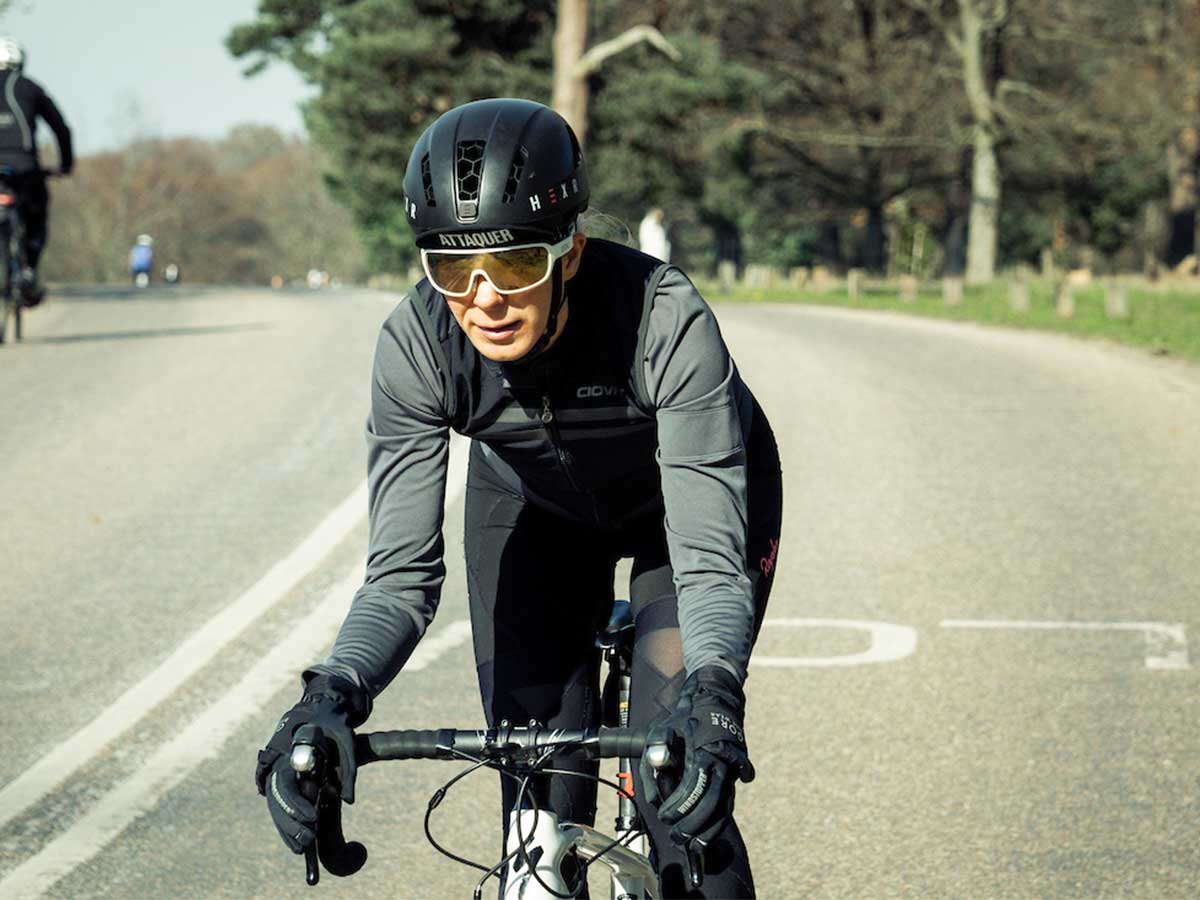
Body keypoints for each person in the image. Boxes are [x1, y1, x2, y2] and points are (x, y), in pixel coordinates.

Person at [255, 98, 783, 898]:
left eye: (512, 266)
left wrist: (714, 692)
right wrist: (329, 696)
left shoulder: (664, 319)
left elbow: (710, 566)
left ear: (569, 252)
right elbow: (398, 579)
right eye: (450, 268)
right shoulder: (416, 346)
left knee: (682, 800)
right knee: (535, 809)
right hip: (532, 510)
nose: (483, 299)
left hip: (681, 526)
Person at [0, 38, 72, 306]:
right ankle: (28, 270)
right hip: (24, 168)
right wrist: (65, 165)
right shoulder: (29, 88)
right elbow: (61, 128)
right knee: (36, 217)